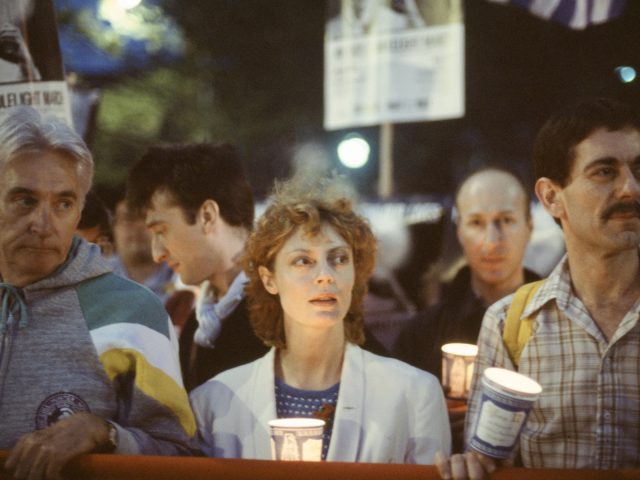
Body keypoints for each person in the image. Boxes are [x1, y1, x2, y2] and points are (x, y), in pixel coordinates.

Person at [436, 97, 640, 479]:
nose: (629, 187)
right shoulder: (510, 322)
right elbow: (490, 464)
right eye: (604, 172)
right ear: (551, 198)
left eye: (638, 168)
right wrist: (469, 467)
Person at [190, 175, 451, 462]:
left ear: (356, 272)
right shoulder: (213, 402)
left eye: (339, 258)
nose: (326, 275)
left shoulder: (415, 394)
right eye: (303, 261)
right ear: (269, 279)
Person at [0, 107, 196, 480]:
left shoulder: (131, 311)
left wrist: (103, 432)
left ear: (79, 212)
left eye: (63, 203)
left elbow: (179, 455)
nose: (44, 224)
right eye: (25, 200)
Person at [126, 143, 269, 391]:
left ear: (207, 216)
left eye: (161, 231)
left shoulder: (286, 309)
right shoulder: (197, 324)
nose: (157, 254)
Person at [396, 167, 537, 378]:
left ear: (529, 227)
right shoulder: (422, 335)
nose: (491, 242)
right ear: (459, 232)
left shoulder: (563, 325)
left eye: (506, 220)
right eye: (476, 223)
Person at [107, 195, 175, 303]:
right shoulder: (94, 278)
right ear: (113, 226)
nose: (139, 226)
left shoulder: (183, 277)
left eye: (147, 218)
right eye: (129, 218)